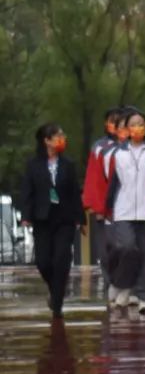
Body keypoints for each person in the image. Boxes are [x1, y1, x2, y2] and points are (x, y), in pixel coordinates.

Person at [104, 109, 145, 314]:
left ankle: (142, 296)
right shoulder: (119, 153)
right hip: (124, 209)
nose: (137, 128)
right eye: (133, 124)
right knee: (127, 248)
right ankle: (120, 283)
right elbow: (114, 182)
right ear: (127, 129)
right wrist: (107, 208)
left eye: (141, 124)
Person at [19, 124, 82, 317]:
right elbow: (27, 191)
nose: (61, 139)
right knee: (44, 261)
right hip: (42, 218)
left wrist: (80, 218)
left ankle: (57, 301)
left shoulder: (68, 164)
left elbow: (74, 193)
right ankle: (55, 290)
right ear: (46, 140)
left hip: (64, 218)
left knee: (61, 259)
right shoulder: (33, 165)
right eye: (57, 136)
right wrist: (26, 216)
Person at [83, 107, 123, 290]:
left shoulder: (133, 146)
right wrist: (96, 208)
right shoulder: (100, 148)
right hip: (106, 209)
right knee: (108, 250)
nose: (115, 125)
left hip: (129, 207)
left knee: (127, 248)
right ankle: (112, 282)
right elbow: (94, 178)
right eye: (111, 121)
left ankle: (128, 284)